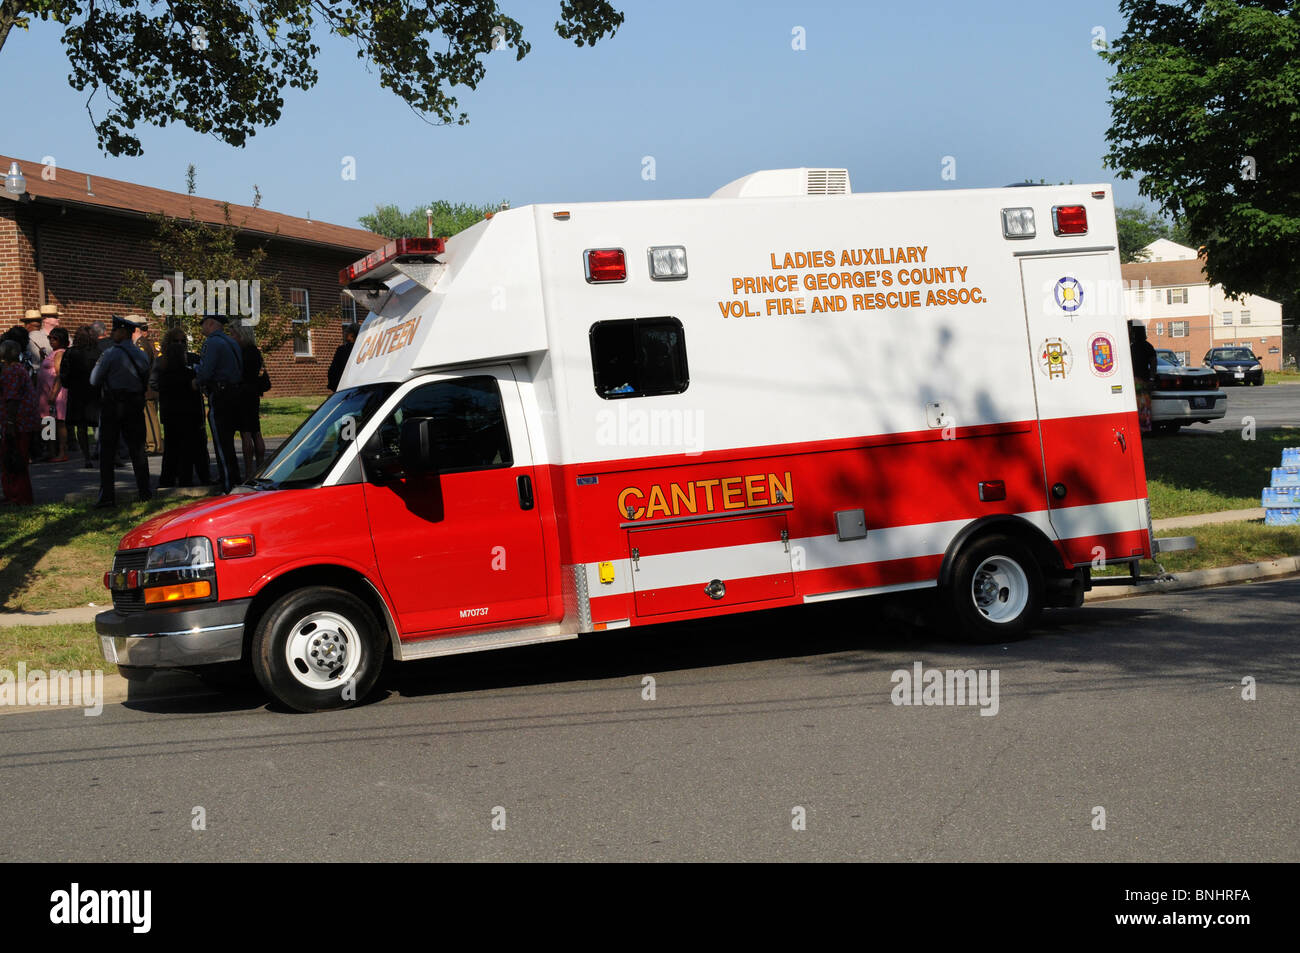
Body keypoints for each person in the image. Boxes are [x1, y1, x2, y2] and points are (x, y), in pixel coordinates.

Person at [89, 315, 153, 507]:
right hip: (134, 403)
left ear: (123, 332)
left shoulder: (110, 354)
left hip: (113, 404)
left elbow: (94, 379)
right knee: (137, 450)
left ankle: (107, 496)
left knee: (107, 452)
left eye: (115, 330)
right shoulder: (140, 354)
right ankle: (145, 491)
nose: (113, 333)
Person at [152, 327, 211, 487]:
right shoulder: (161, 363)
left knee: (196, 447)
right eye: (176, 341)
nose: (179, 344)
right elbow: (154, 383)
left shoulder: (193, 359)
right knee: (175, 448)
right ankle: (176, 479)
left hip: (186, 413)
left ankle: (197, 477)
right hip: (179, 412)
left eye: (182, 341)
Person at [194, 313, 244, 493]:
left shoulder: (212, 343)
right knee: (228, 441)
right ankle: (234, 478)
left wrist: (196, 376)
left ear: (210, 324)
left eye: (203, 325)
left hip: (220, 395)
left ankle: (228, 484)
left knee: (222, 443)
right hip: (234, 393)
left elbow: (206, 372)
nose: (202, 329)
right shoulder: (231, 341)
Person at [1, 339, 39, 505]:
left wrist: (9, 423)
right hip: (24, 421)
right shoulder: (19, 368)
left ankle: (19, 496)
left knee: (15, 459)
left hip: (17, 423)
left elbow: (12, 399)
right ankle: (12, 494)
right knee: (13, 459)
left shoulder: (12, 371)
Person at [61, 326, 102, 469]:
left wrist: (68, 384)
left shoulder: (70, 353)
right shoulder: (98, 352)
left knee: (81, 427)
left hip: (77, 393)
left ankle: (87, 458)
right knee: (101, 425)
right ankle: (107, 453)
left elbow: (64, 376)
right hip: (94, 393)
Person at [231, 322, 267, 476]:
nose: (232, 338)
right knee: (256, 430)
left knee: (245, 432)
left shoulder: (242, 352)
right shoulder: (256, 352)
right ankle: (260, 467)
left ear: (241, 335)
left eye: (234, 334)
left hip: (243, 393)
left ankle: (249, 471)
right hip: (254, 393)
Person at [36, 326, 70, 462]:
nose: (51, 341)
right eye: (50, 338)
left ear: (61, 340)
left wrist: (53, 394)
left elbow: (59, 374)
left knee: (59, 422)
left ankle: (62, 451)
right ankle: (50, 450)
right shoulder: (53, 352)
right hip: (45, 393)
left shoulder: (60, 353)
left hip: (55, 392)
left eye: (55, 338)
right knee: (46, 421)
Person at [131, 317, 164, 454]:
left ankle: (154, 445)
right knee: (149, 416)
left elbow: (143, 367)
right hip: (149, 387)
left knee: (150, 417)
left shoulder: (141, 345)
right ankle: (153, 443)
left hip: (147, 388)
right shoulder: (144, 343)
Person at [1129, 322, 1158, 434]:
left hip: (1135, 380)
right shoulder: (1148, 346)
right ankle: (1145, 427)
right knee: (1145, 405)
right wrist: (1152, 378)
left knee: (1138, 405)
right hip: (1145, 379)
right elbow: (1154, 363)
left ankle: (1139, 429)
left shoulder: (1132, 348)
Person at [328, 323, 359, 391]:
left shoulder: (342, 350)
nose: (344, 334)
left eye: (346, 332)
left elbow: (333, 370)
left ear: (351, 335)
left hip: (343, 386)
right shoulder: (363, 348)